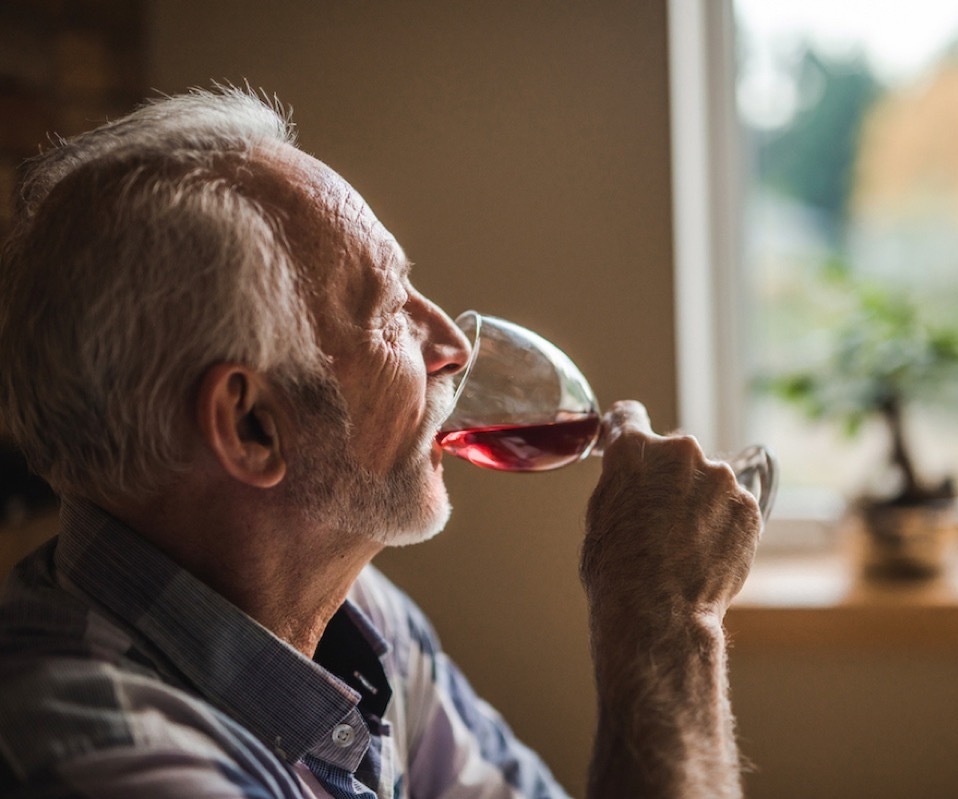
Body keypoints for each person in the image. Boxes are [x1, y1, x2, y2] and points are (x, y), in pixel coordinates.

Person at [0, 87, 762, 799]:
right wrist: (667, 624)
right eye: (390, 312)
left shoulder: (356, 615)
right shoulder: (110, 756)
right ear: (251, 426)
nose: (452, 346)